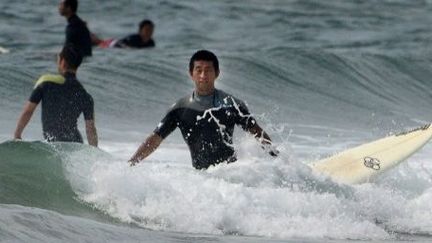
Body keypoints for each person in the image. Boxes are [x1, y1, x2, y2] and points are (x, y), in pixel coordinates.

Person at [129, 50, 277, 169]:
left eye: (208, 70)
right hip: (201, 181)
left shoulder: (231, 105)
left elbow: (257, 132)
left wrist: (280, 162)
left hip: (232, 176)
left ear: (217, 73)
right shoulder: (180, 108)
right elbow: (154, 140)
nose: (203, 76)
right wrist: (131, 164)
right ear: (191, 73)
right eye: (198, 70)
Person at [14, 44, 98, 146]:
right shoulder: (85, 95)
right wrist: (94, 156)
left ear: (62, 62)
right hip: (75, 144)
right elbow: (90, 129)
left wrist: (17, 136)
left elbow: (28, 111)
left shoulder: (46, 83)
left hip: (54, 145)